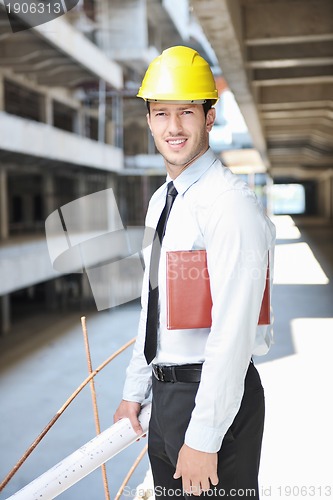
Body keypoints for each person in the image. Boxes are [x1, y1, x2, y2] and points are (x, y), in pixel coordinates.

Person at [114, 46, 276, 498]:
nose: (173, 127)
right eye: (161, 113)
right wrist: (136, 389)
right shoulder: (162, 202)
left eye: (187, 112)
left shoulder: (230, 206)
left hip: (215, 401)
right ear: (148, 119)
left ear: (209, 117)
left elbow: (234, 331)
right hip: (167, 398)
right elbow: (153, 306)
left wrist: (204, 437)